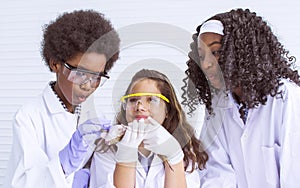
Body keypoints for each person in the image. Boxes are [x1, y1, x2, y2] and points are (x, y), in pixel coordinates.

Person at [181, 8, 300, 188]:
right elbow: (216, 172)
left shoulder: (286, 97)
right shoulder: (218, 106)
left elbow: (293, 173)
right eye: (202, 55)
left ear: (241, 52)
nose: (206, 64)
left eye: (216, 52)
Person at [4, 10, 120, 188]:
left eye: (96, 77)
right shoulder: (28, 118)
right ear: (55, 64)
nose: (88, 85)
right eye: (80, 73)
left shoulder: (96, 117)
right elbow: (23, 182)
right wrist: (64, 165)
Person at [89, 69, 208, 188]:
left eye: (151, 100)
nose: (140, 107)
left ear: (167, 110)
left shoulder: (187, 152)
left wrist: (175, 158)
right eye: (133, 100)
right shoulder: (106, 150)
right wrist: (125, 158)